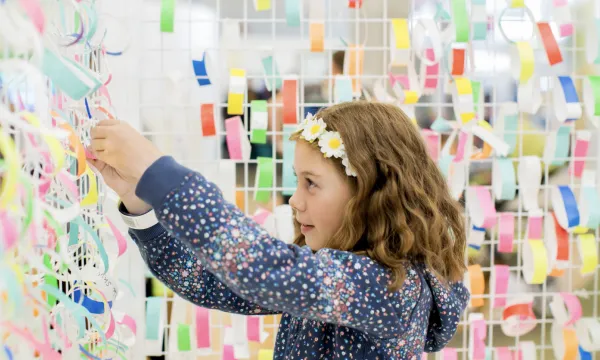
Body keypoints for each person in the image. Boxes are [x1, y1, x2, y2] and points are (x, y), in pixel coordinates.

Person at [88, 101, 470, 358]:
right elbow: (200, 279)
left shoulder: (389, 288)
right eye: (297, 182)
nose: (295, 201)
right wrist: (139, 200)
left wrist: (159, 173)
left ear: (369, 191)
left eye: (311, 183)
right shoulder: (333, 277)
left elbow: (257, 268)